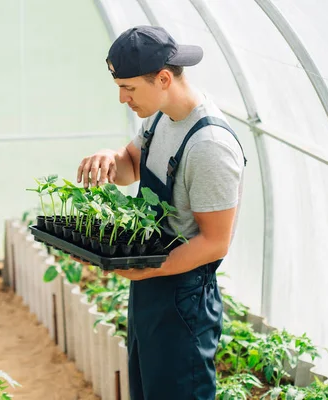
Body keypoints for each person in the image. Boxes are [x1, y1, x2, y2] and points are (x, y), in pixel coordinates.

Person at [76, 25, 246, 400]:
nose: (123, 98)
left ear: (164, 78)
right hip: (150, 288)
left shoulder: (209, 146)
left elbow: (215, 243)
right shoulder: (158, 118)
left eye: (129, 88)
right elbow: (131, 166)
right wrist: (110, 157)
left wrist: (147, 267)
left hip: (183, 302)